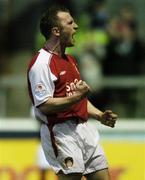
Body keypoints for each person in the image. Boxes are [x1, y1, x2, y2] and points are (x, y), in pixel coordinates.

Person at [27, 4, 117, 180]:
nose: (76, 26)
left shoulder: (71, 60)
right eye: (70, 23)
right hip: (61, 132)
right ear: (56, 31)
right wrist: (77, 96)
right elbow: (45, 105)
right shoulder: (41, 64)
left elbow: (78, 99)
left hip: (84, 129)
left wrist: (99, 115)